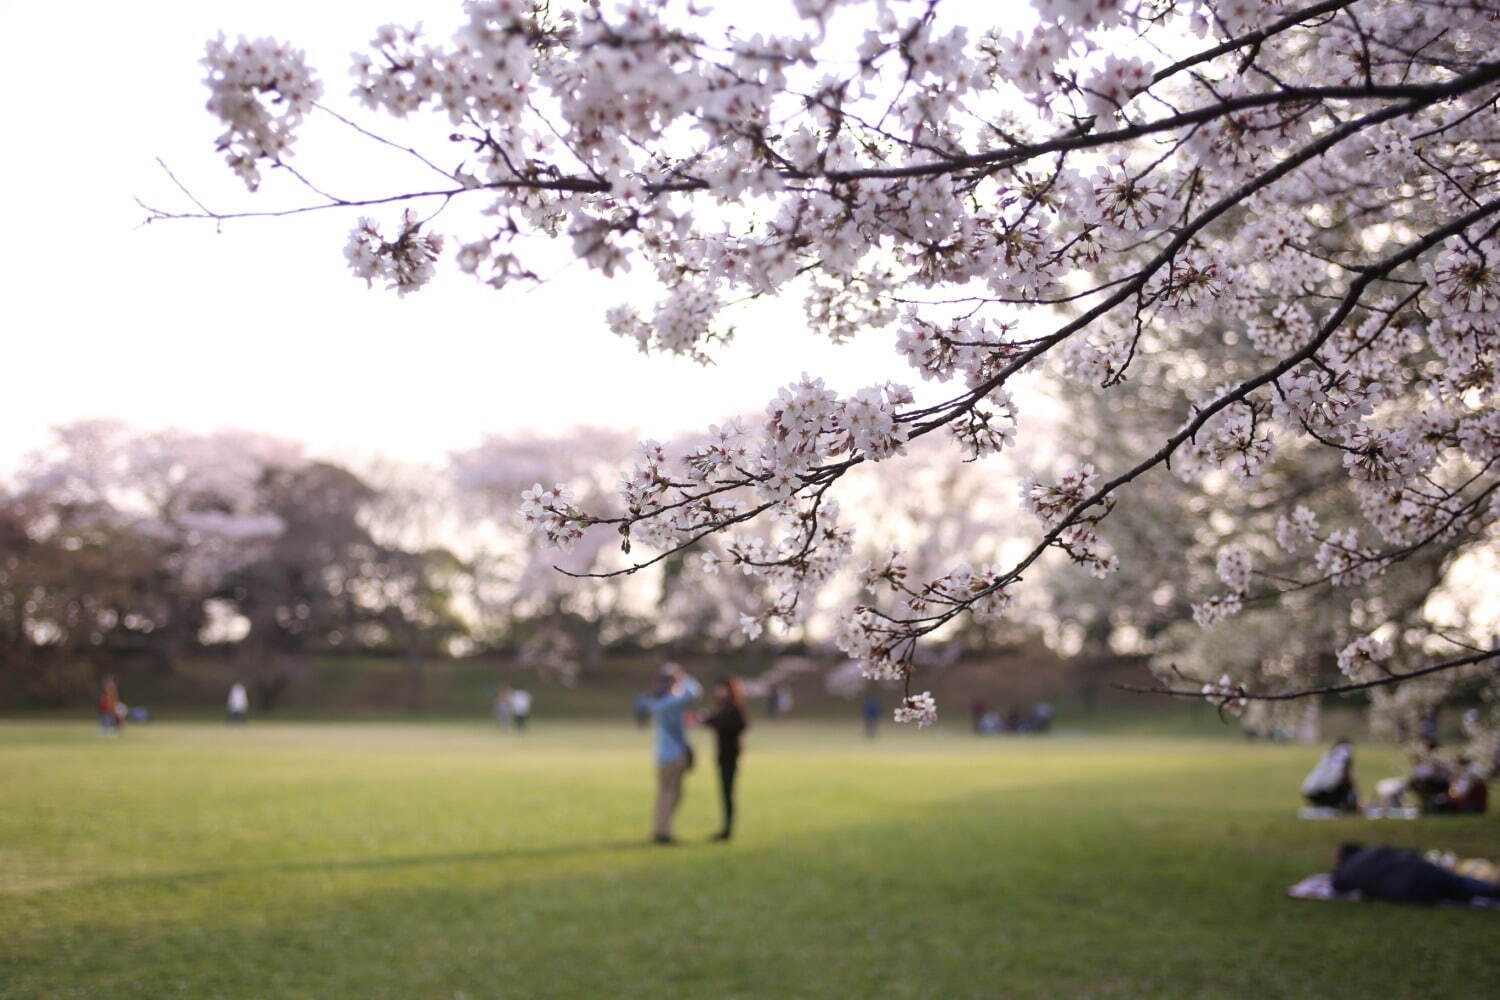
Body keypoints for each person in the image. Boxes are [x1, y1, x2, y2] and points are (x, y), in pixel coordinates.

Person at [1333, 842, 1500, 903]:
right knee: (1459, 884)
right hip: (1421, 871)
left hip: (1409, 891)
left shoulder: (1347, 873)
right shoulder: (1376, 850)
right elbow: (1409, 854)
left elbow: (1337, 885)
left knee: (1454, 892)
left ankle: (1487, 891)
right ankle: (1491, 890)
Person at [646, 663, 701, 844]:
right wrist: (682, 676)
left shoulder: (657, 703)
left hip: (662, 755)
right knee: (673, 794)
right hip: (674, 754)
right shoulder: (671, 703)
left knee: (664, 793)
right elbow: (695, 691)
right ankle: (664, 831)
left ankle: (661, 829)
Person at [700, 676, 748, 842]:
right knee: (724, 792)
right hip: (722, 756)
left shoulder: (734, 708)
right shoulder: (722, 709)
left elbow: (740, 725)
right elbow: (712, 721)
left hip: (731, 756)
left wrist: (716, 721)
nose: (718, 691)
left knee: (728, 793)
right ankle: (725, 828)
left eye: (721, 688)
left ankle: (728, 830)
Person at [1301, 739, 1358, 811]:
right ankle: (1340, 805)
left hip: (1311, 792)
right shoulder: (1338, 761)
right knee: (1346, 786)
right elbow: (1344, 781)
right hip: (1318, 792)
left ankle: (1337, 804)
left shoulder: (1329, 757)